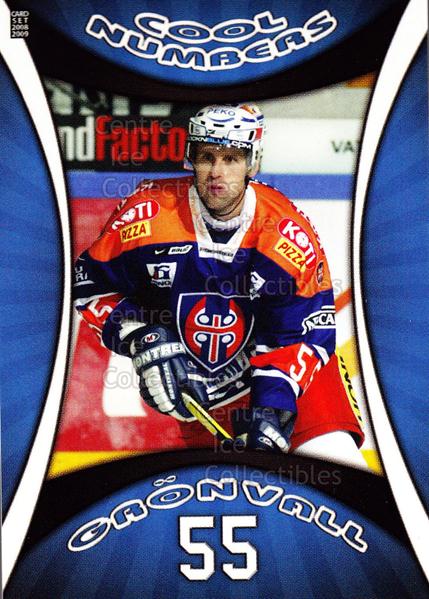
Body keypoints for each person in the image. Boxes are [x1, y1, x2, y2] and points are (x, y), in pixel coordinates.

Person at [73, 103, 364, 462]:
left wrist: (271, 410)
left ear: (253, 163)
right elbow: (89, 287)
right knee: (231, 493)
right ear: (190, 158)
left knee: (334, 471)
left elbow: (304, 333)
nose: (216, 172)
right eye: (207, 157)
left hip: (297, 387)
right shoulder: (148, 215)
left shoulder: (285, 236)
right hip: (202, 396)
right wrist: (142, 337)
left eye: (231, 159)